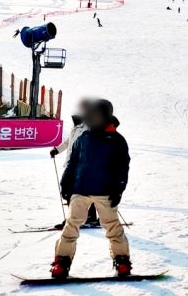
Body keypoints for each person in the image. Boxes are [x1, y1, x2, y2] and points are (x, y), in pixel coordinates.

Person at [52, 99, 131, 279]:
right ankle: (62, 261)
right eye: (92, 116)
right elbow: (73, 162)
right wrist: (66, 183)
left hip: (105, 192)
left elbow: (122, 167)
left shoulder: (117, 140)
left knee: (113, 227)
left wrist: (118, 188)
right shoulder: (84, 138)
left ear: (106, 117)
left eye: (98, 116)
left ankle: (121, 260)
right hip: (81, 189)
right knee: (71, 226)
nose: (94, 119)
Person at [51, 101, 98, 227]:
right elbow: (68, 142)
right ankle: (82, 217)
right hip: (71, 164)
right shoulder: (75, 128)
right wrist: (56, 150)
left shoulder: (88, 128)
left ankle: (84, 217)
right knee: (70, 190)